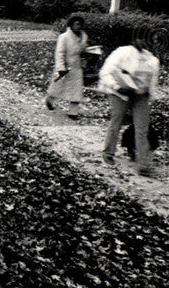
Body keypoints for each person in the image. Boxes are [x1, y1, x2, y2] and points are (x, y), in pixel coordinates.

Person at [98, 38, 160, 175]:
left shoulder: (152, 60)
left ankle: (143, 164)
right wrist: (117, 87)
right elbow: (105, 72)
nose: (143, 42)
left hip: (140, 95)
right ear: (135, 40)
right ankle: (108, 152)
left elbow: (152, 83)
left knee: (142, 128)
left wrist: (148, 96)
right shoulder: (122, 53)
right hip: (119, 92)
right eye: (140, 38)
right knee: (117, 120)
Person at [46, 15, 88, 119]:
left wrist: (87, 54)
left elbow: (82, 51)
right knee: (58, 86)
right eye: (77, 24)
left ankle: (73, 112)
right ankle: (49, 100)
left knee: (76, 89)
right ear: (71, 25)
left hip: (77, 66)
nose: (79, 26)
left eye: (80, 24)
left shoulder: (83, 37)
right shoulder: (64, 37)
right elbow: (60, 52)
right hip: (65, 66)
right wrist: (61, 66)